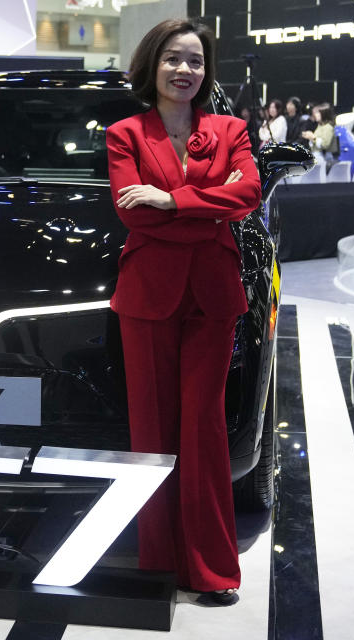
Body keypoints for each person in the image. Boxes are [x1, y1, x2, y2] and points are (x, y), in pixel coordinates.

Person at [106, 18, 261, 607]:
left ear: (206, 71)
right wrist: (206, 206)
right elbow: (131, 213)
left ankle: (212, 568)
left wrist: (172, 198)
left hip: (212, 296)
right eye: (174, 58)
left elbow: (246, 197)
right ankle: (160, 562)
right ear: (153, 64)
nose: (185, 70)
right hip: (148, 297)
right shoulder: (125, 133)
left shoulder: (232, 130)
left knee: (205, 429)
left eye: (195, 61)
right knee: (151, 431)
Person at [302, 102, 337, 170]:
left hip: (324, 159)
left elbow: (325, 145)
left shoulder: (328, 127)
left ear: (324, 114)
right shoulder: (320, 126)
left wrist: (312, 137)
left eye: (318, 113)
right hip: (318, 157)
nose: (315, 115)